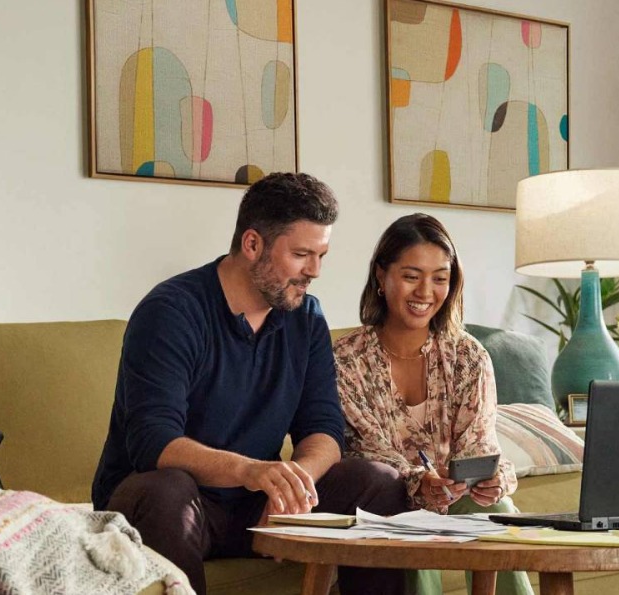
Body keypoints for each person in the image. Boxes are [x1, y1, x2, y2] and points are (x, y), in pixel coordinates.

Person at [92, 172, 409, 595]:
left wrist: (293, 486)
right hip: (170, 503)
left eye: (321, 255)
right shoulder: (171, 312)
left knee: (379, 481)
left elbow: (324, 429)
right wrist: (252, 472)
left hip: (254, 506)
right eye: (301, 254)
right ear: (253, 244)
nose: (314, 271)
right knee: (165, 489)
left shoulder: (306, 318)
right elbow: (154, 443)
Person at [333, 214, 532, 595]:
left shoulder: (468, 356)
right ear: (381, 276)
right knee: (412, 518)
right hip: (387, 504)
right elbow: (367, 452)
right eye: (411, 276)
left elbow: (479, 446)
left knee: (498, 511)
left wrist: (490, 481)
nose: (426, 292)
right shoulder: (344, 361)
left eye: (440, 278)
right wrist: (420, 483)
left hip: (456, 498)